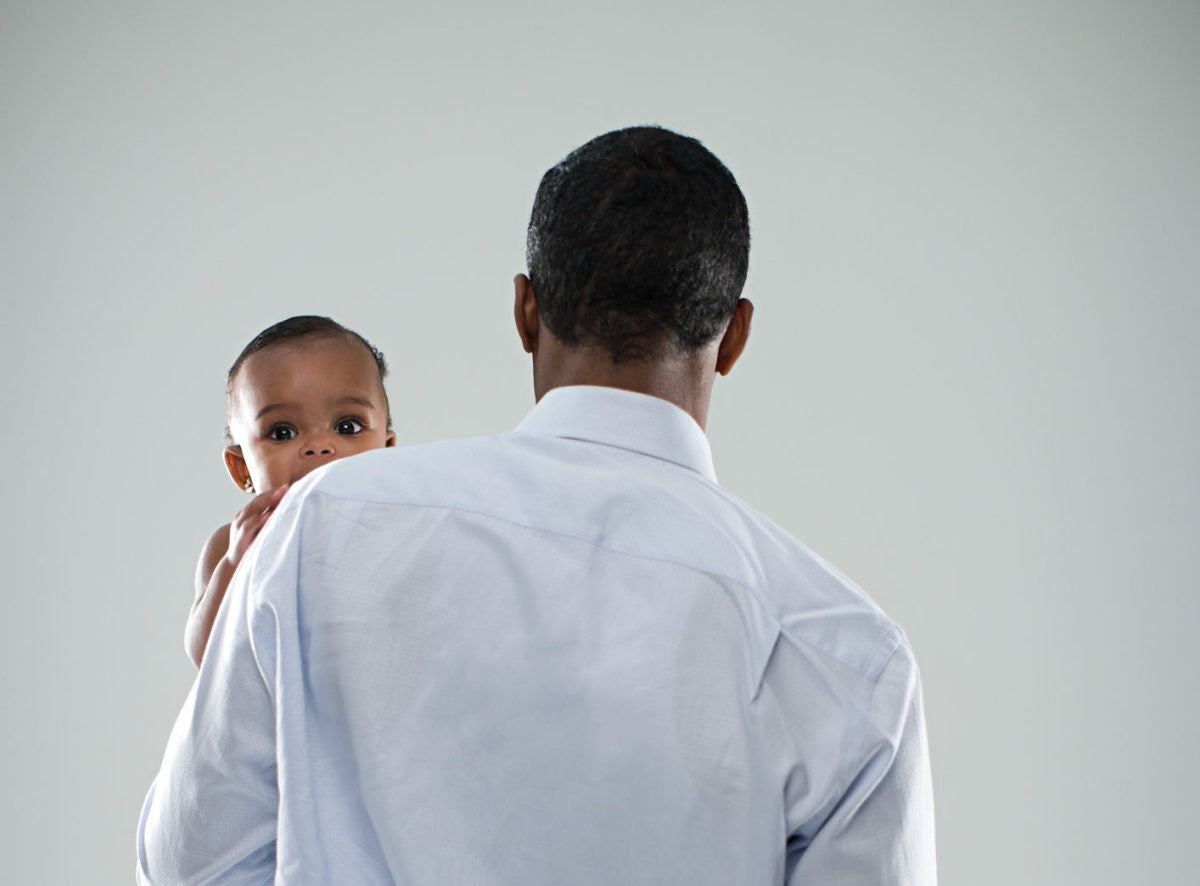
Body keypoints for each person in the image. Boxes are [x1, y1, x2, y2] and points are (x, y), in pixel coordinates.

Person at [137, 126, 936, 885]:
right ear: (733, 337)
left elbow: (190, 868)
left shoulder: (318, 529)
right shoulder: (848, 657)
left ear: (526, 311)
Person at [185, 315, 397, 667]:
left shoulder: (401, 532)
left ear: (387, 451)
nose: (319, 445)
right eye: (282, 432)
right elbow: (205, 655)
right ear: (242, 469)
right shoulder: (233, 546)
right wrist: (235, 564)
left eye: (348, 426)